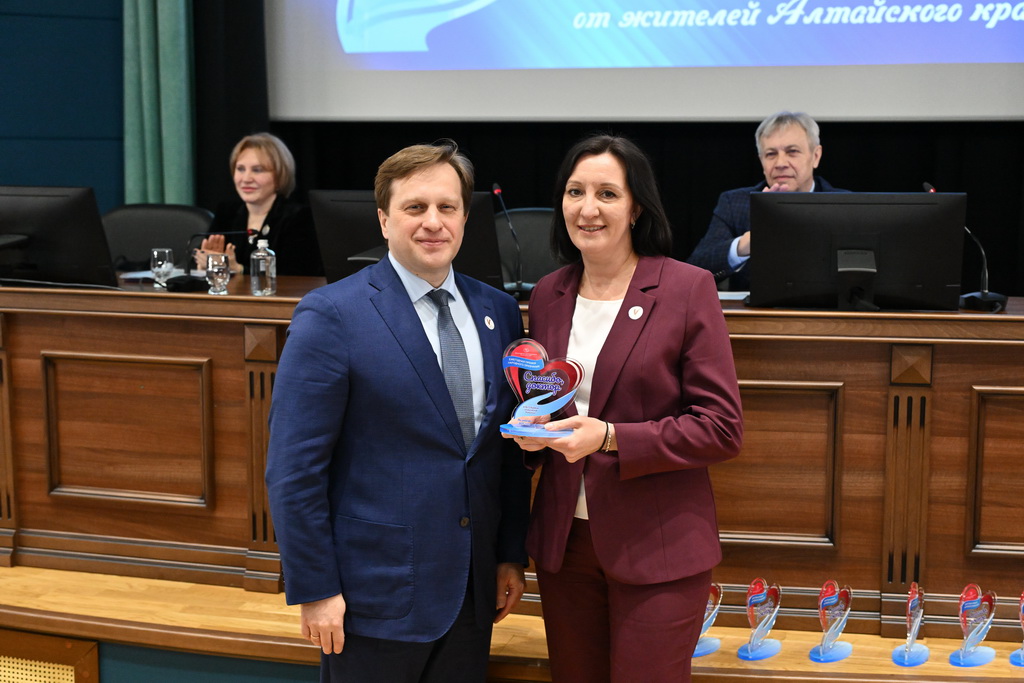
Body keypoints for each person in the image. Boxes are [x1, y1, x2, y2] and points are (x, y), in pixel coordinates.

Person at [265, 139, 532, 683]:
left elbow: (502, 451)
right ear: (384, 220)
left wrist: (508, 554)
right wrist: (315, 588)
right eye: (415, 207)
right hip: (372, 596)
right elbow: (293, 470)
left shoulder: (499, 311)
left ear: (465, 218)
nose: (433, 222)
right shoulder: (332, 314)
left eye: (447, 207)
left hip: (472, 592)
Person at [507, 134, 744, 683]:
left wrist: (610, 436)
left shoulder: (686, 288)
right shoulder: (548, 294)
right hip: (565, 546)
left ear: (636, 207)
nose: (587, 208)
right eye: (575, 192)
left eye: (607, 194)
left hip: (657, 546)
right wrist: (532, 435)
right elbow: (547, 401)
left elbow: (721, 428)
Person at [687, 111, 847, 290]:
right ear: (761, 161)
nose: (780, 163)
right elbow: (695, 269)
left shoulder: (845, 205)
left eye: (792, 152)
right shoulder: (735, 203)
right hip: (755, 307)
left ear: (815, 156)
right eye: (771, 154)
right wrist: (745, 244)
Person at [198, 132, 323, 276]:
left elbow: (298, 277)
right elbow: (202, 264)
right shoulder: (226, 213)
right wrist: (204, 265)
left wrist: (239, 270)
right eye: (240, 169)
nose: (246, 178)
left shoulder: (299, 217)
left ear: (279, 175)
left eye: (257, 170)